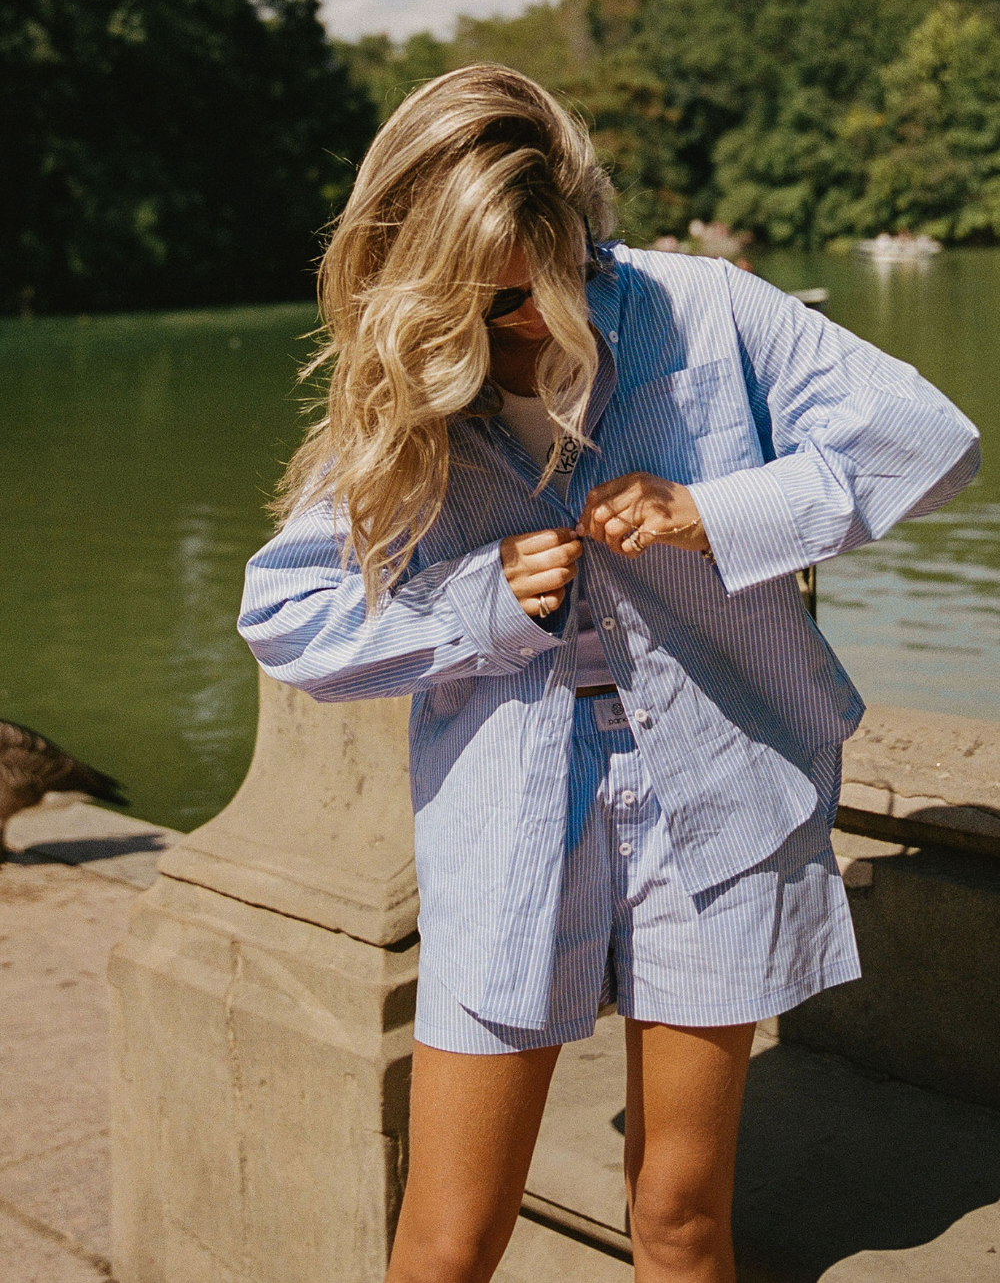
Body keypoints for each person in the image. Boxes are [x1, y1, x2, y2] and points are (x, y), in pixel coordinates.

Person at [238, 65, 980, 1283]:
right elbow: (285, 613)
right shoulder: (402, 382)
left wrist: (713, 508)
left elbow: (926, 439)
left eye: (546, 279)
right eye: (483, 302)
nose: (525, 321)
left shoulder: (703, 309)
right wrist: (476, 603)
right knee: (443, 1242)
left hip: (722, 796)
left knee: (681, 1221)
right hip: (507, 815)